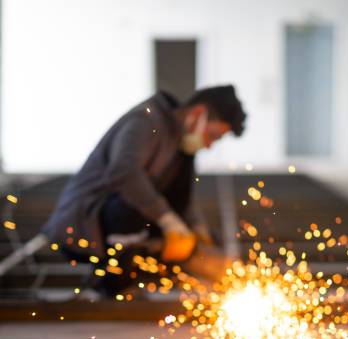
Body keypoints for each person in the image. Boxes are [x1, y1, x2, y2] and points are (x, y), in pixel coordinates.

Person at [43, 85, 246, 296]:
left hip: (126, 224)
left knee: (201, 240)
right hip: (83, 224)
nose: (210, 145)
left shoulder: (180, 146)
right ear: (197, 114)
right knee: (132, 209)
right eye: (212, 136)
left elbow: (180, 199)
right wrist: (167, 219)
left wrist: (198, 232)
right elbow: (124, 173)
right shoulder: (146, 120)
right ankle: (114, 284)